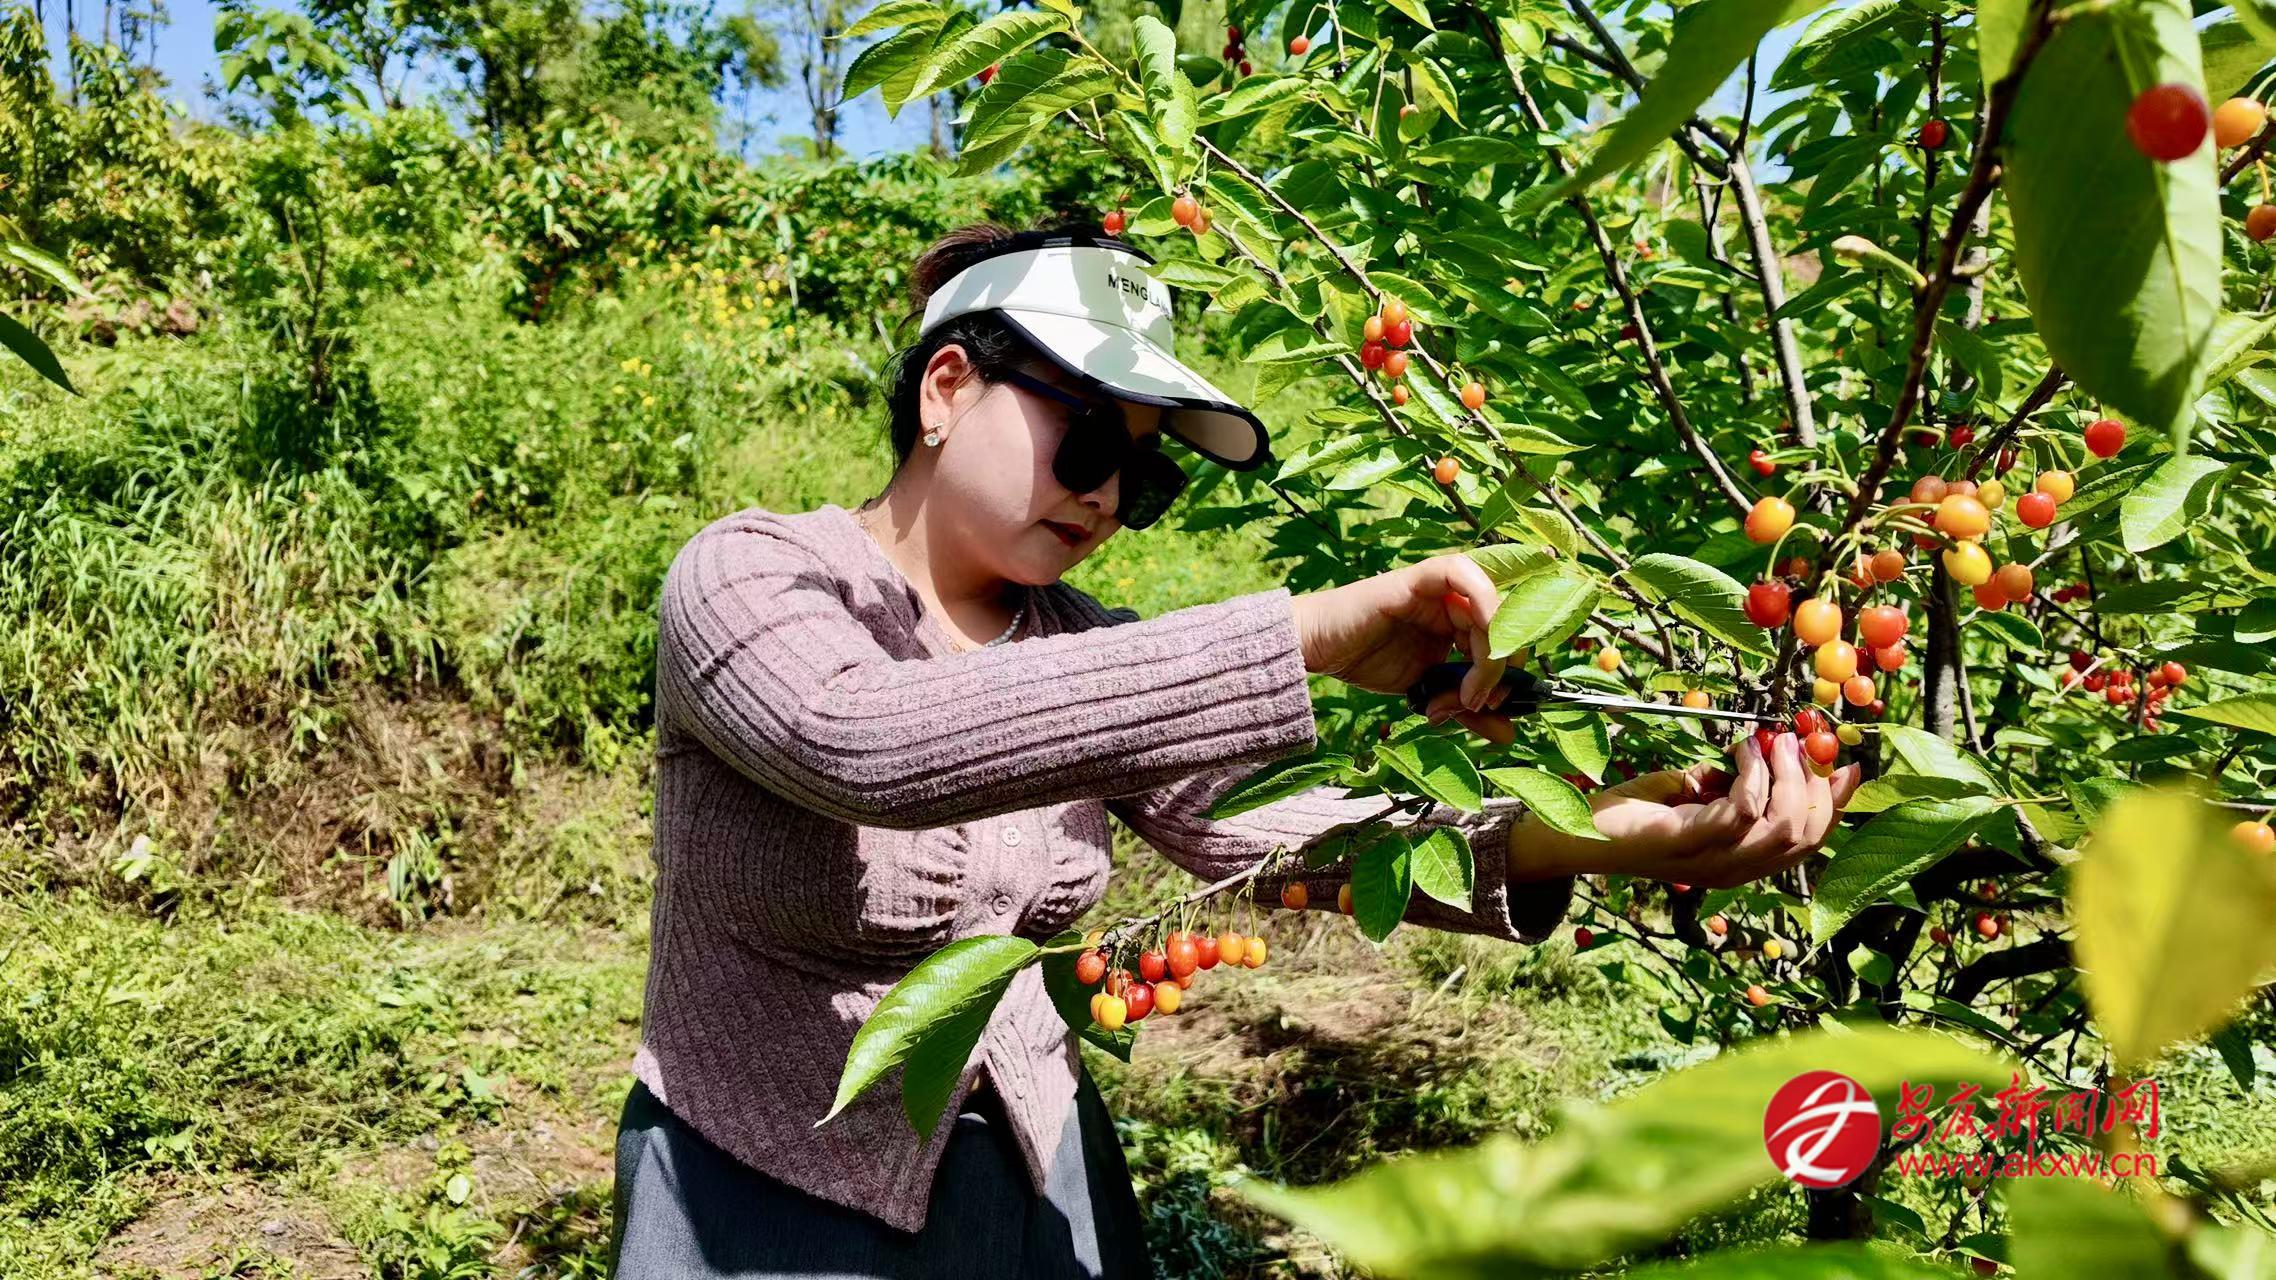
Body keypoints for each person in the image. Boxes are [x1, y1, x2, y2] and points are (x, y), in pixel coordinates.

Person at [608, 225, 1863, 1279]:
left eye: (1141, 477)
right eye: (1085, 442)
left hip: (1035, 1170)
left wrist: (1594, 837)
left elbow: (1279, 835)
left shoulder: (1082, 642)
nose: (1105, 497)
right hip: (759, 1184)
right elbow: (863, 739)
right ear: (945, 389)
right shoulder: (751, 575)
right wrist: (1302, 634)